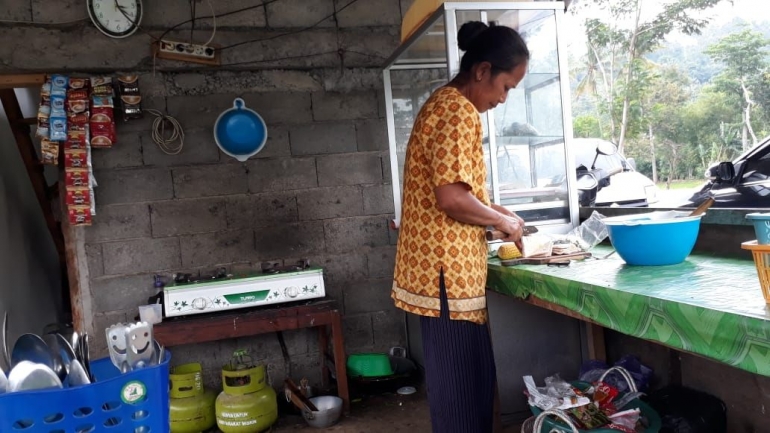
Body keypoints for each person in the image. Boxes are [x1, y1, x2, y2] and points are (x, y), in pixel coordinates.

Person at [391, 21, 530, 433]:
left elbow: (462, 191)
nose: (504, 99)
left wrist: (497, 212)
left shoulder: (442, 103)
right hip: (446, 276)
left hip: (441, 274)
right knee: (462, 393)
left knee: (469, 386)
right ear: (483, 71)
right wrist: (501, 220)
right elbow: (451, 199)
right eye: (506, 86)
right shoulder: (458, 110)